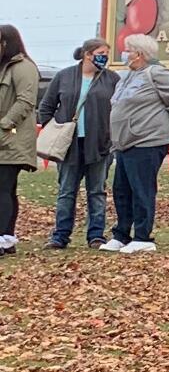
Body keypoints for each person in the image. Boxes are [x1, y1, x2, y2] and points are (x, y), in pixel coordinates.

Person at [104, 34, 169, 253]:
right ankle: (121, 234)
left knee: (141, 189)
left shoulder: (157, 73)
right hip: (125, 142)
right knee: (121, 189)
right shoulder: (129, 75)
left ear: (139, 54)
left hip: (147, 141)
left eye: (128, 49)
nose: (124, 53)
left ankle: (143, 236)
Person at [40, 39, 118, 250]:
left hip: (99, 144)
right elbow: (46, 107)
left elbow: (119, 109)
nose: (105, 57)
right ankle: (60, 235)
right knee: (66, 191)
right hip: (69, 145)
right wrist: (55, 130)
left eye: (107, 54)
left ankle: (96, 235)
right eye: (101, 53)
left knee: (97, 191)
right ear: (87, 54)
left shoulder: (111, 79)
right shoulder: (64, 77)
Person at [0, 25, 40, 254]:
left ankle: (3, 236)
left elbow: (25, 101)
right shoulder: (4, 68)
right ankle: (7, 237)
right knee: (6, 189)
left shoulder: (23, 67)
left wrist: (5, 124)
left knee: (3, 188)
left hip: (11, 138)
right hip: (5, 138)